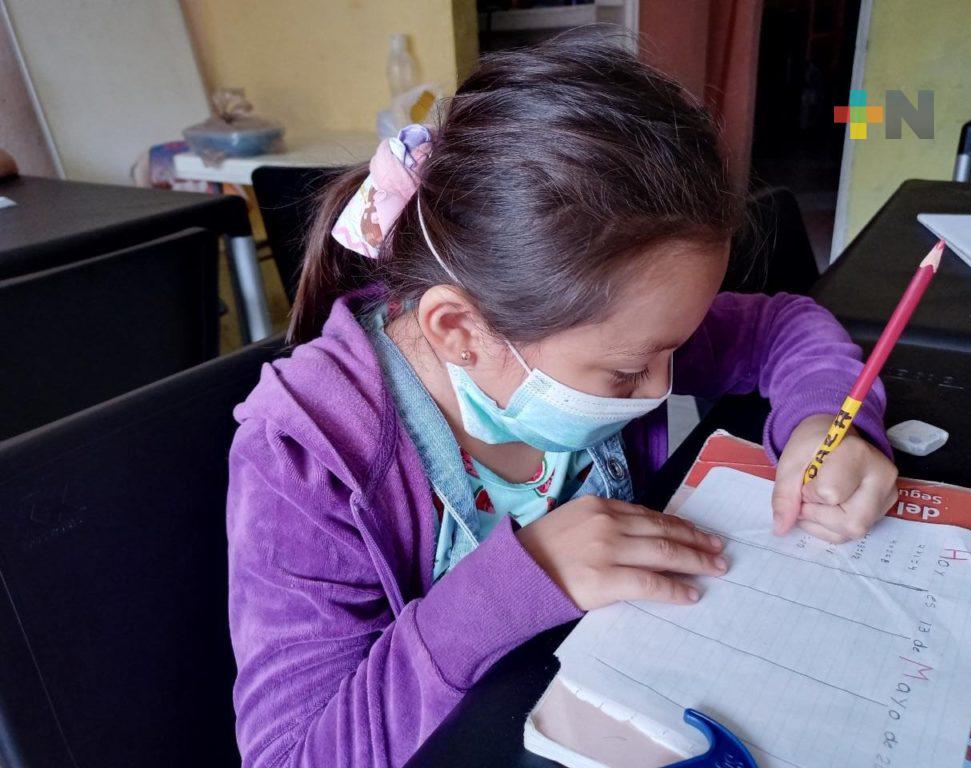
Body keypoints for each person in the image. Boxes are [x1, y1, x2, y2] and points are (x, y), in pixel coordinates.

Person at [226, 32, 898, 768]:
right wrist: (522, 579)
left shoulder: (603, 322)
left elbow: (785, 325)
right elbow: (293, 755)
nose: (662, 387)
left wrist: (826, 420)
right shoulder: (306, 459)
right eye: (627, 373)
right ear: (459, 331)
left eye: (670, 351)